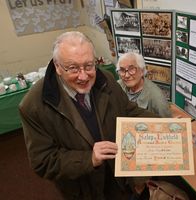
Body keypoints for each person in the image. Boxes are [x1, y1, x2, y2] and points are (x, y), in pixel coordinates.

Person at [18, 31, 157, 200]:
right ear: (57, 66)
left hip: (118, 180)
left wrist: (171, 128)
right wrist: (88, 159)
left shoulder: (105, 78)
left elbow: (128, 111)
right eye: (73, 68)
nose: (83, 76)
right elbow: (43, 162)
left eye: (89, 65)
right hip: (84, 189)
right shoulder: (33, 105)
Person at [116, 52, 171, 117]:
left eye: (132, 69)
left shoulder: (157, 99)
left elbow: (166, 123)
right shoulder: (117, 86)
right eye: (122, 70)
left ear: (142, 71)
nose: (127, 75)